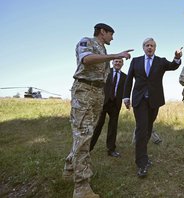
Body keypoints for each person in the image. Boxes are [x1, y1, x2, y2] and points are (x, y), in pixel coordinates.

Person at [62, 23, 133, 198]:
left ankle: (69, 167)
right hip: (84, 91)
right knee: (84, 135)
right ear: (103, 32)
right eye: (111, 34)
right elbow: (86, 59)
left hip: (97, 94)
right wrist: (115, 55)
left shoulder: (103, 51)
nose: (112, 38)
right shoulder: (87, 42)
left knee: (86, 134)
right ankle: (81, 187)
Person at [123, 38, 182, 178]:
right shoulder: (136, 61)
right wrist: (126, 97)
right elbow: (129, 78)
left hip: (154, 101)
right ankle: (141, 164)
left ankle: (143, 155)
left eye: (152, 46)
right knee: (142, 129)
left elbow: (173, 66)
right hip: (139, 100)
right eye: (147, 45)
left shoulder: (160, 61)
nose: (150, 48)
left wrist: (177, 57)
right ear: (143, 47)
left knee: (148, 128)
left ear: (155, 48)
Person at [89, 58, 127, 157]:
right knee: (98, 125)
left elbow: (126, 90)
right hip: (103, 103)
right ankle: (88, 148)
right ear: (112, 62)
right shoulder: (106, 72)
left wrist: (126, 100)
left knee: (113, 127)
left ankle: (111, 150)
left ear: (122, 64)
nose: (118, 63)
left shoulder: (124, 77)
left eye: (120, 62)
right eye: (116, 61)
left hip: (115, 104)